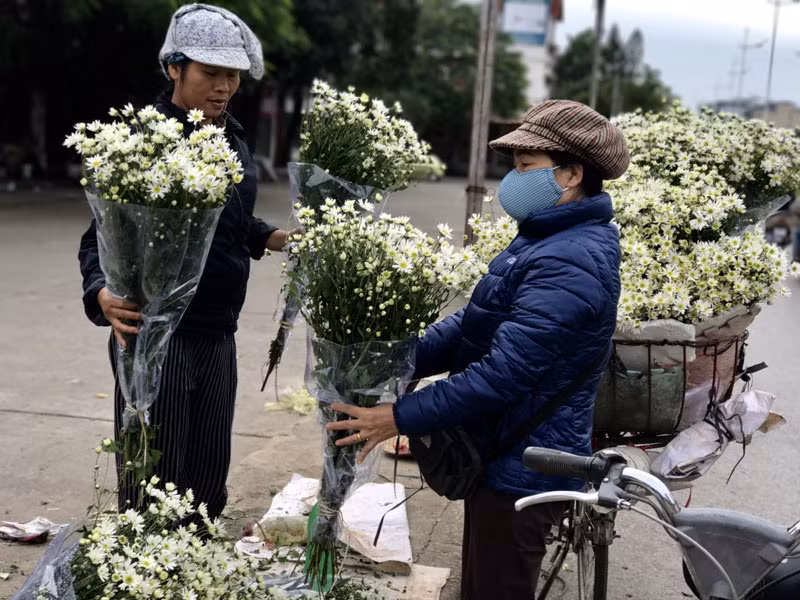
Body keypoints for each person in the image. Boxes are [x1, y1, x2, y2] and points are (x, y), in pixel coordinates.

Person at [327, 100, 629, 599]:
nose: (512, 180)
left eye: (526, 166)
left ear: (571, 173)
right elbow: (477, 325)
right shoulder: (545, 239)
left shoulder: (571, 257)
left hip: (528, 463)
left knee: (495, 587)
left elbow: (502, 374)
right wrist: (395, 356)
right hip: (505, 447)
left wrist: (398, 417)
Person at [78, 4, 293, 519]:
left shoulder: (232, 137)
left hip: (219, 331)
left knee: (205, 483)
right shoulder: (145, 145)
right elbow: (98, 239)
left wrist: (273, 237)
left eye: (233, 76)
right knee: (154, 482)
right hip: (158, 336)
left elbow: (229, 223)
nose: (223, 87)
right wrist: (100, 294)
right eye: (210, 73)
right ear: (174, 68)